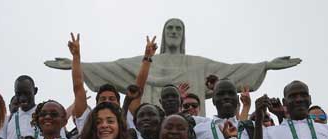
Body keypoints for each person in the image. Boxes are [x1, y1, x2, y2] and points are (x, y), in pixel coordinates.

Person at [45, 18, 301, 116]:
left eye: (179, 29)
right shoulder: (144, 62)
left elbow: (231, 72)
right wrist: (76, 64)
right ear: (163, 34)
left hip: (189, 126)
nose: (174, 32)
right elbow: (111, 69)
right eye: (170, 29)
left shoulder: (196, 64)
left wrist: (265, 65)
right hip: (149, 124)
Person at [67, 33, 157, 133]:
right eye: (103, 99)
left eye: (112, 98)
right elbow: (78, 87)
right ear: (96, 104)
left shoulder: (128, 118)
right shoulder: (87, 121)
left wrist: (147, 58)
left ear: (119, 104)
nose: (107, 101)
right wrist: (76, 56)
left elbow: (139, 87)